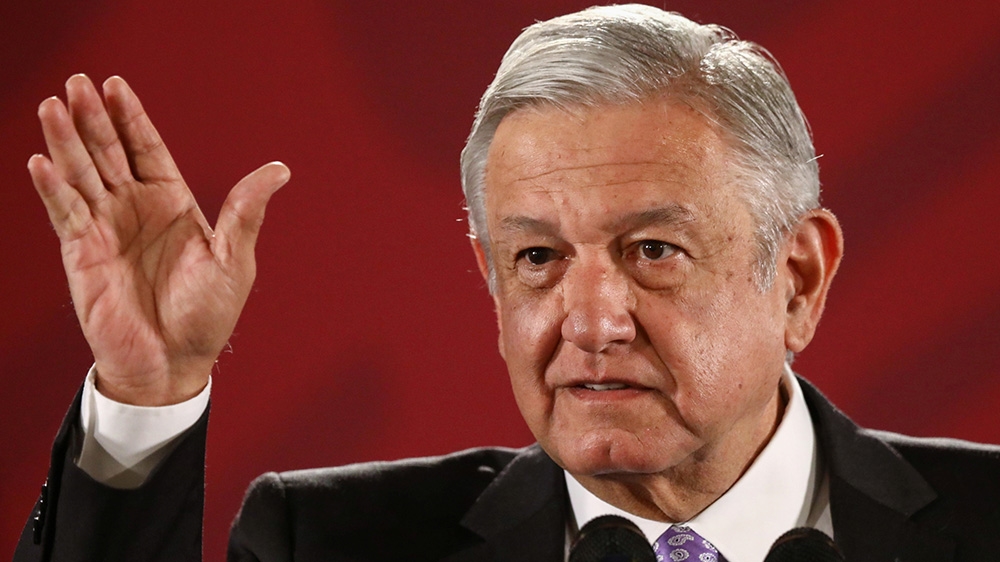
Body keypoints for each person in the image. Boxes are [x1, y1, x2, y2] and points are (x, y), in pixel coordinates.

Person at [14, 4, 1000, 562]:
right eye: (537, 257)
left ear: (795, 277)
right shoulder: (330, 544)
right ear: (490, 280)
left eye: (652, 249)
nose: (590, 318)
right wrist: (149, 394)